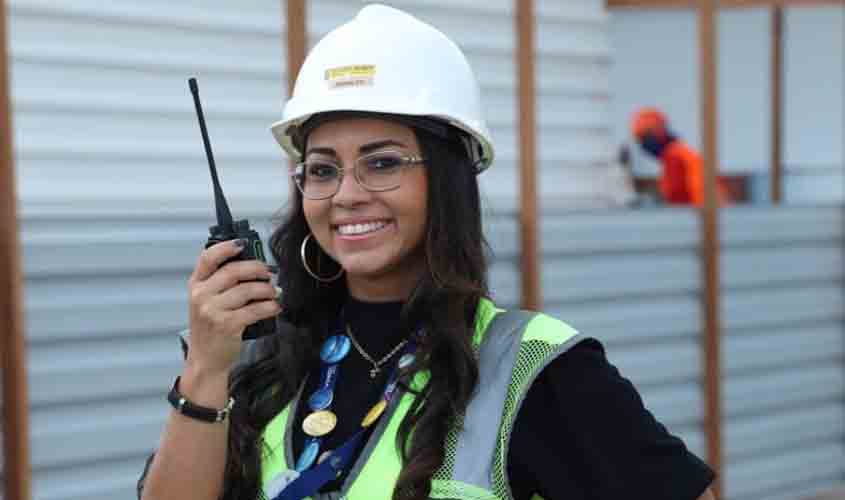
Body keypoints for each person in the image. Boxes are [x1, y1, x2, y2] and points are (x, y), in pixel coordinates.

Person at [138, 5, 717, 500]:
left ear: (446, 181)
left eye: (383, 162)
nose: (347, 194)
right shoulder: (257, 361)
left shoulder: (533, 370)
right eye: (322, 170)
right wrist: (206, 367)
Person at [631, 107, 731, 206]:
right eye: (640, 140)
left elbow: (703, 191)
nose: (643, 144)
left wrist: (705, 216)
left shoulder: (678, 155)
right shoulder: (670, 157)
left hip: (696, 217)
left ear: (657, 133)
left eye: (645, 138)